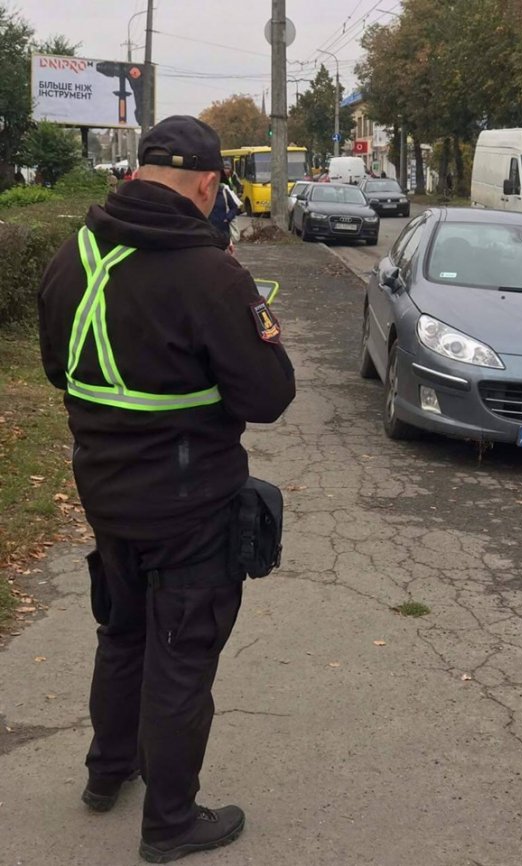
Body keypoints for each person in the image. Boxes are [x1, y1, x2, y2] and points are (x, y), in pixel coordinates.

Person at [37, 115, 296, 862]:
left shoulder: (75, 254)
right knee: (182, 655)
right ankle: (171, 824)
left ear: (139, 171)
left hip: (104, 489)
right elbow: (268, 396)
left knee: (123, 632)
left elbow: (58, 368)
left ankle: (107, 772)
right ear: (209, 185)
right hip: (191, 504)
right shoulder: (212, 275)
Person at [208, 182, 241, 250]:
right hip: (208, 232)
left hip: (222, 232)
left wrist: (228, 218)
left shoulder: (223, 192)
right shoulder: (204, 192)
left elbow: (234, 208)